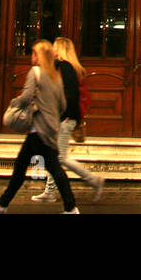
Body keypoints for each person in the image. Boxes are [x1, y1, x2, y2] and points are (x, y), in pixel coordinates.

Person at [0, 40, 78, 214]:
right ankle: (2, 204)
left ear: (39, 55)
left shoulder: (35, 72)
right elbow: (63, 104)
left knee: (51, 168)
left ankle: (71, 207)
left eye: (34, 53)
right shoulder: (55, 77)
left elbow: (26, 97)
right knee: (24, 166)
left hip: (38, 130)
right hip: (49, 128)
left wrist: (14, 103)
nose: (31, 56)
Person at [33, 37, 103, 203]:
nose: (52, 50)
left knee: (59, 157)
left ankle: (93, 180)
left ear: (61, 49)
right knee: (55, 156)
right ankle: (50, 191)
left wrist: (65, 117)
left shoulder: (65, 67)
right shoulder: (64, 67)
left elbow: (70, 95)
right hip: (63, 118)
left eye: (55, 47)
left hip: (65, 119)